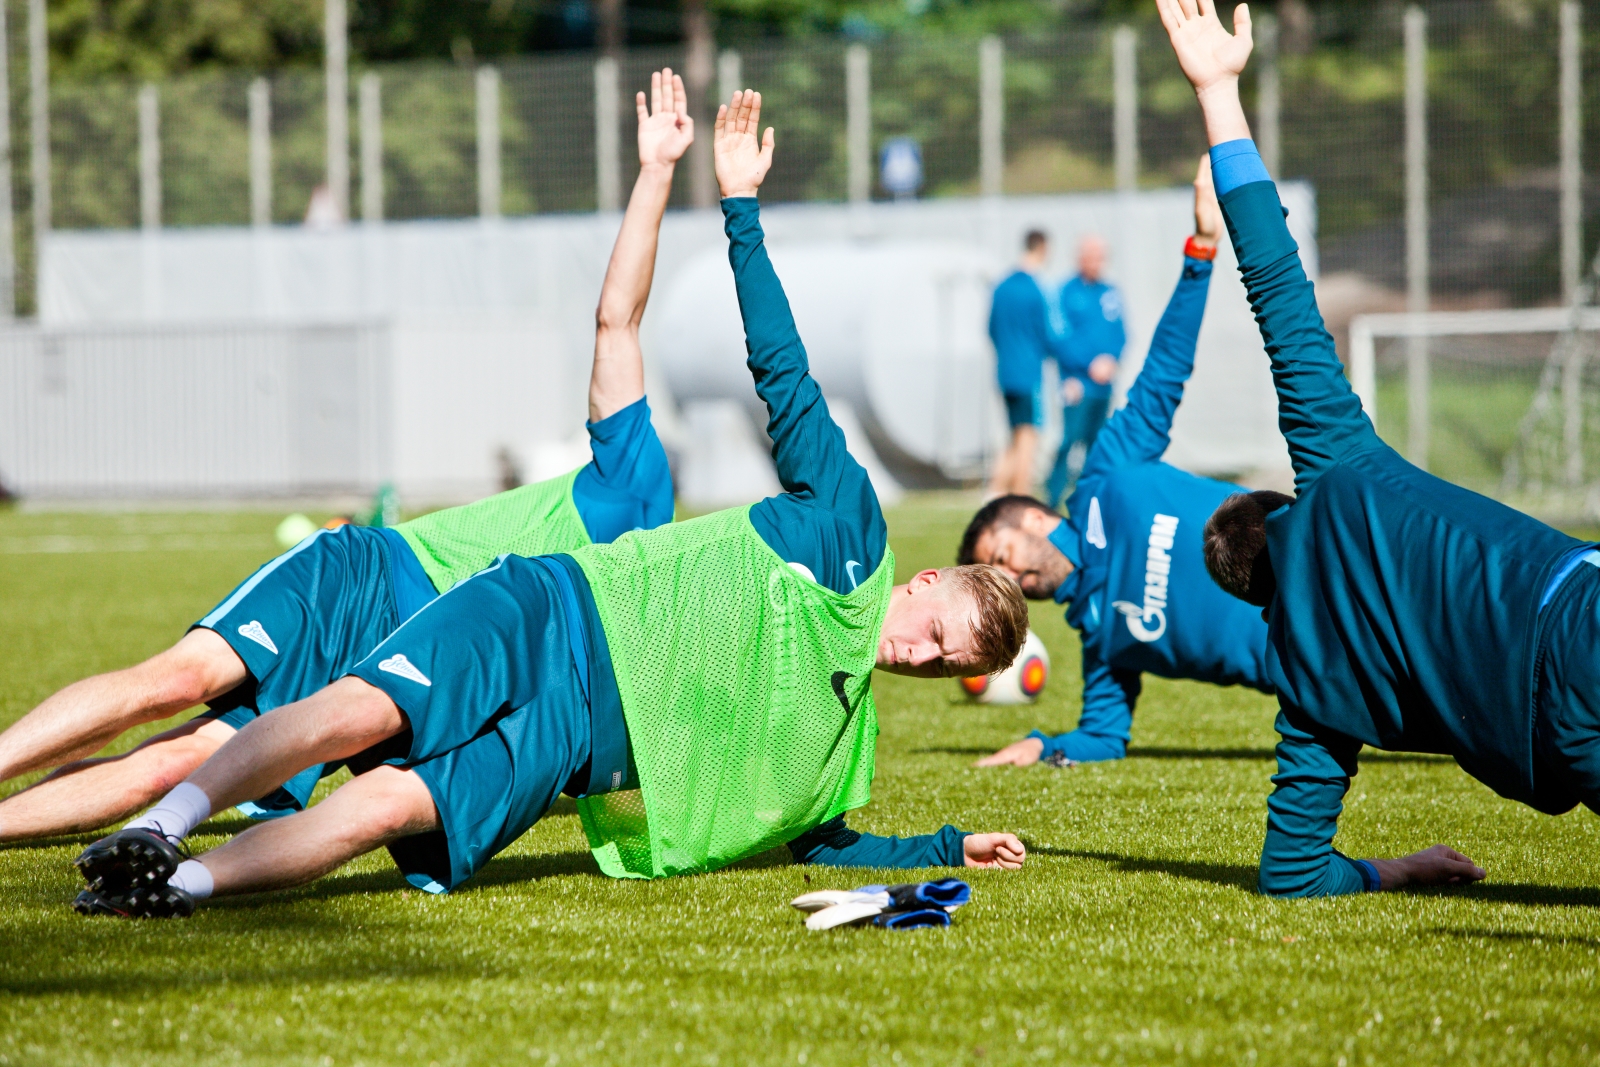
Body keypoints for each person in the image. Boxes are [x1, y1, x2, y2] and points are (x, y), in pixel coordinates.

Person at [70, 86, 1031, 919]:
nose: (920, 655)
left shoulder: (843, 731)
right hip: (552, 610)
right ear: (927, 579)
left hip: (574, 740)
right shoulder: (850, 530)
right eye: (935, 631)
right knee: (361, 709)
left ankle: (178, 887)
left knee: (402, 805)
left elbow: (821, 844)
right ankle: (165, 824)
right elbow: (782, 368)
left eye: (942, 666)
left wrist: (948, 848)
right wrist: (739, 204)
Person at [0, 68, 687, 844]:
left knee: (180, 767)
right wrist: (657, 173)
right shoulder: (637, 491)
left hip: (381, 677)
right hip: (361, 579)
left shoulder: (647, 641)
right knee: (177, 680)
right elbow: (615, 321)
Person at [1160, 0, 1588, 896]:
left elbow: (1290, 872)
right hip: (1575, 611)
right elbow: (1276, 281)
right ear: (1283, 505)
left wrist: (1403, 866)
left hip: (1559, 733)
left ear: (1257, 602)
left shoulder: (1307, 685)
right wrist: (1218, 92)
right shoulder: (1339, 470)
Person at [960, 157, 1273, 768]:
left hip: (1338, 573)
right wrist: (1043, 746)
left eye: (999, 559)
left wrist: (1201, 251)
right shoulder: (1103, 640)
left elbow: (1162, 377)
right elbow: (1104, 737)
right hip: (1324, 681)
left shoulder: (1108, 476)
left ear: (1031, 519)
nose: (1010, 579)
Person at [1046, 236, 1127, 508]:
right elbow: (1059, 336)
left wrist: (1111, 360)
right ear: (1080, 258)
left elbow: (1121, 333)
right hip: (1076, 384)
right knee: (1069, 441)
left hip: (1103, 386)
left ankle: (1092, 499)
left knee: (1097, 445)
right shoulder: (1066, 292)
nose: (1096, 262)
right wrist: (1087, 365)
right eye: (1091, 256)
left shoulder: (1109, 292)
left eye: (1100, 257)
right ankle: (1052, 498)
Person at [986, 230, 1066, 499]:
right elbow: (1049, 334)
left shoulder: (1001, 286)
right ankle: (1020, 495)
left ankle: (995, 491)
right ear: (1042, 248)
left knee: (1014, 435)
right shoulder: (1036, 289)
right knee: (1028, 437)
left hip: (1004, 372)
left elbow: (991, 329)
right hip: (1028, 373)